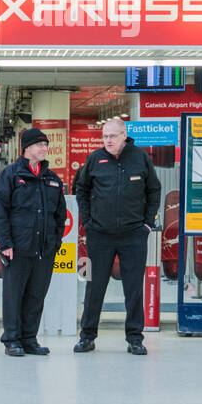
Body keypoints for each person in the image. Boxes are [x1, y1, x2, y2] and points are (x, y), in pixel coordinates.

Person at [74, 117, 162, 355]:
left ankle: (135, 338)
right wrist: (88, 222)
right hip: (99, 235)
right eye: (104, 136)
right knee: (94, 287)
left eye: (112, 136)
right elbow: (81, 189)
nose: (107, 141)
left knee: (133, 288)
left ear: (124, 136)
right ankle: (87, 336)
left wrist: (147, 223)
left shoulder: (140, 158)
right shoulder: (95, 159)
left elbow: (154, 190)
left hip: (133, 235)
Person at [0, 127, 67, 357]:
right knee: (14, 295)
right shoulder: (11, 175)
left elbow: (60, 214)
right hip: (18, 248)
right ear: (27, 148)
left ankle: (29, 338)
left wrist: (55, 240)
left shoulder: (51, 179)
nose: (44, 148)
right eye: (39, 145)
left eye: (46, 145)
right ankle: (11, 339)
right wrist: (6, 244)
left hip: (44, 249)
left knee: (36, 295)